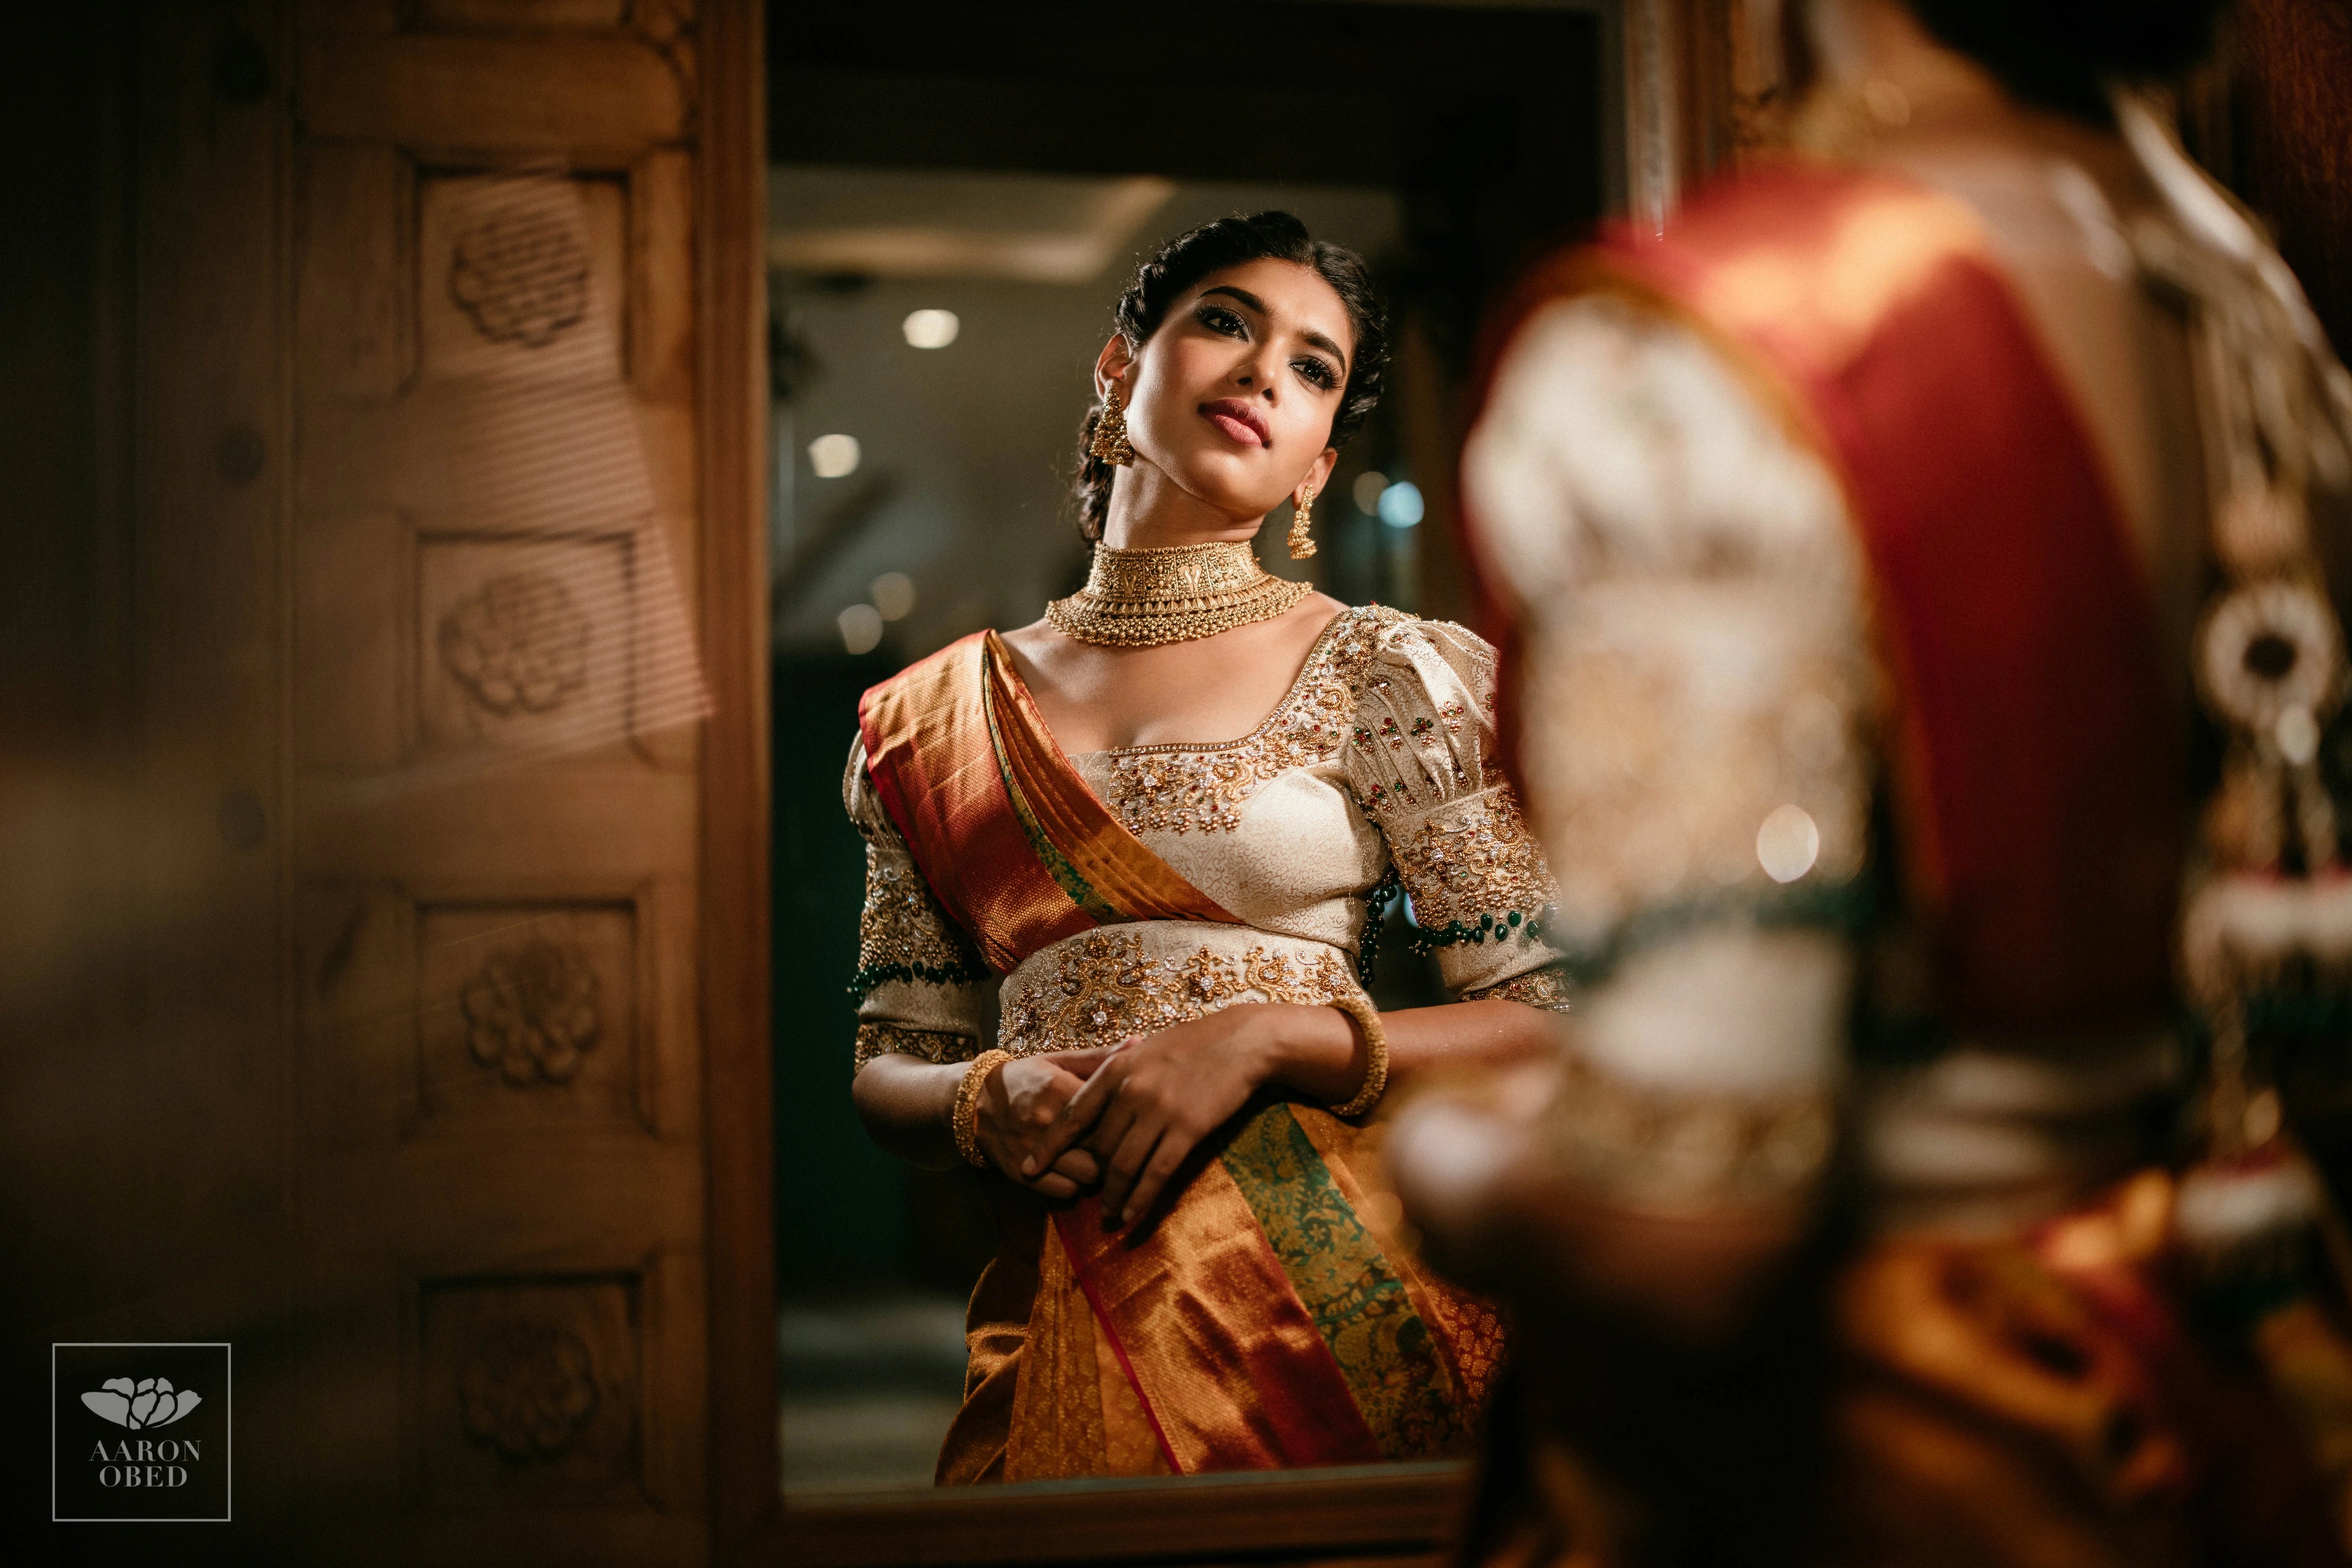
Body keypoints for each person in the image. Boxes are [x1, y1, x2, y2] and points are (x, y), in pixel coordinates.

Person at [1395, 0, 2352, 1562]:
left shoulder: (1723, 349)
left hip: (1881, 1461)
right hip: (2208, 1400)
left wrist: (1446, 1158)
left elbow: (1684, 1238)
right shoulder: (2258, 317)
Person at [842, 212, 1571, 1483]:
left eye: (1312, 367)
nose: (1261, 374)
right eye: (1227, 324)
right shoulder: (928, 719)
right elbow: (894, 1060)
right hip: (1058, 1293)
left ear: (1315, 465)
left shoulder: (1389, 675)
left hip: (1332, 1315)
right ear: (1120, 367)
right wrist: (979, 1099)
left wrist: (1272, 1035)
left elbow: (1549, 1013)